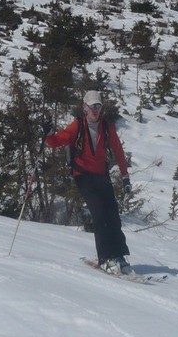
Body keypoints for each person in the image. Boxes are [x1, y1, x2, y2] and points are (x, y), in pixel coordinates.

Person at [43, 90, 132, 274]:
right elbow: (57, 141)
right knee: (99, 215)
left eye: (98, 106)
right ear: (85, 107)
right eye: (92, 106)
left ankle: (118, 255)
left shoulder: (107, 128)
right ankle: (105, 258)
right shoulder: (77, 126)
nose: (95, 110)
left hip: (101, 176)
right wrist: (47, 134)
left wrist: (125, 177)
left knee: (113, 215)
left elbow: (119, 152)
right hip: (83, 176)